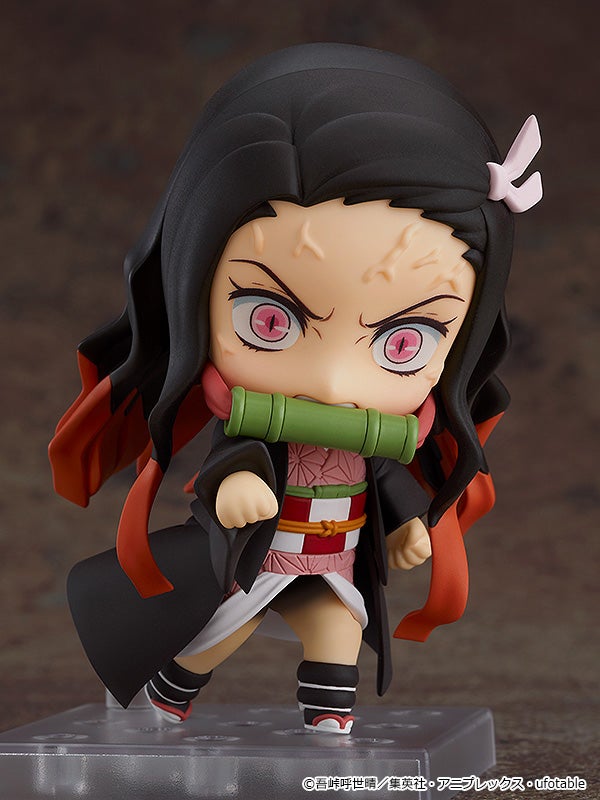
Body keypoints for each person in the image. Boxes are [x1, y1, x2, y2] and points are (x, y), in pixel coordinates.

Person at [49, 43, 542, 734]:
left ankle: (328, 724)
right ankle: (166, 696)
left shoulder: (376, 434)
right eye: (271, 320)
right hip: (260, 555)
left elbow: (385, 478)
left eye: (404, 342)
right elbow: (233, 458)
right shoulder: (258, 418)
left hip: (334, 557)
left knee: (338, 631)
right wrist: (234, 484)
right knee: (218, 635)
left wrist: (407, 523)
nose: (335, 383)